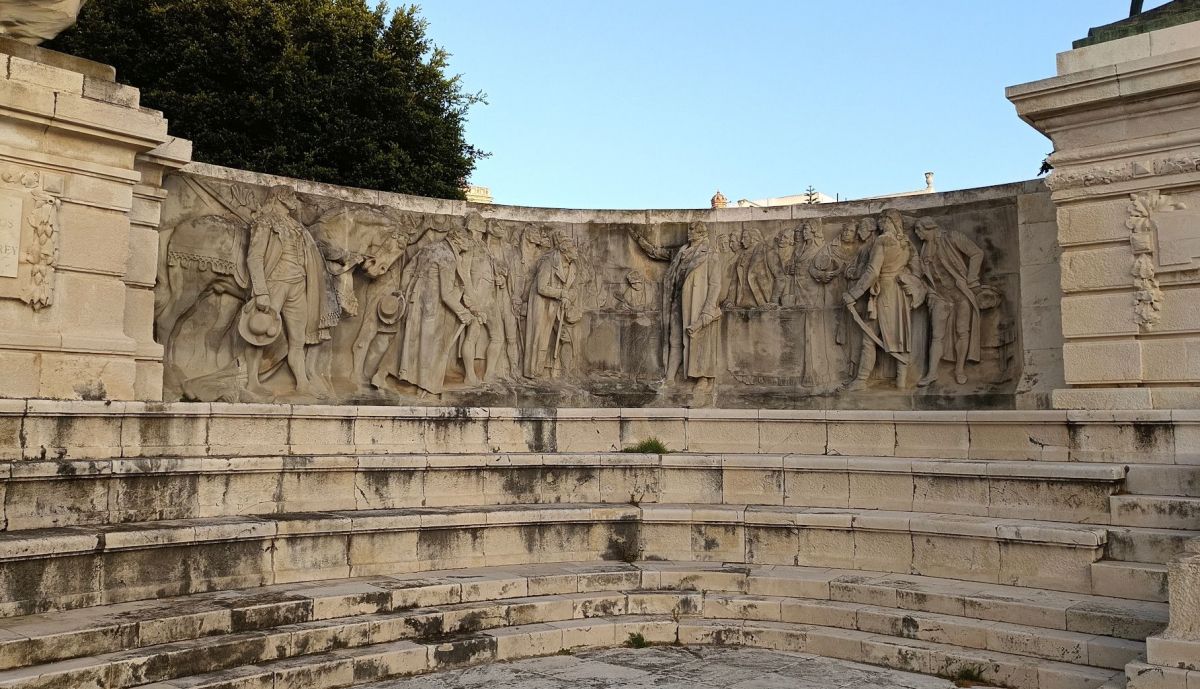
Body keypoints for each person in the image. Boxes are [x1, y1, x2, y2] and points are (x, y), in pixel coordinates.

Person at [373, 226, 476, 396]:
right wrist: (463, 312)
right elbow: (446, 294)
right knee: (429, 345)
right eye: (467, 241)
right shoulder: (447, 256)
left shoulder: (430, 248)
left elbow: (407, 271)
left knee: (405, 340)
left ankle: (380, 375)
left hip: (414, 300)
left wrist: (404, 292)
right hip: (431, 306)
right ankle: (425, 385)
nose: (469, 245)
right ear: (459, 239)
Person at [243, 185, 324, 398]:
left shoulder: (297, 227)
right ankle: (252, 382)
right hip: (275, 283)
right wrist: (261, 292)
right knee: (259, 332)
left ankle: (302, 384)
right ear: (280, 197)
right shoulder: (265, 221)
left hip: (298, 285)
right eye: (291, 195)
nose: (294, 199)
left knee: (298, 339)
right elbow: (255, 257)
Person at [632, 221, 723, 390]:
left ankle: (702, 378)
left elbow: (715, 284)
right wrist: (640, 240)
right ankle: (670, 377)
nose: (690, 232)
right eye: (690, 229)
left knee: (698, 341)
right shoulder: (681, 252)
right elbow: (657, 253)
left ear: (702, 233)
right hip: (677, 302)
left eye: (694, 229)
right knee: (675, 339)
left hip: (697, 304)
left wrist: (709, 309)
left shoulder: (710, 253)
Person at [840, 209, 924, 391]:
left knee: (869, 337)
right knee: (900, 337)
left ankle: (861, 380)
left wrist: (853, 294)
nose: (879, 225)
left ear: (889, 222)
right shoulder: (906, 243)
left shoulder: (883, 240)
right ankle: (901, 382)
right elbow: (917, 271)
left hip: (884, 293)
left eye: (882, 221)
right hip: (900, 294)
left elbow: (872, 272)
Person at [913, 216, 984, 386]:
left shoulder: (952, 236)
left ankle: (959, 369)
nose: (917, 233)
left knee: (962, 331)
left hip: (960, 293)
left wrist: (971, 279)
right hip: (939, 295)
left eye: (919, 229)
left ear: (929, 228)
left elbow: (977, 253)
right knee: (937, 336)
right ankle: (932, 373)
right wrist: (929, 292)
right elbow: (925, 275)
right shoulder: (923, 249)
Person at [523, 228, 580, 379]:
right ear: (564, 250)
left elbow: (573, 289)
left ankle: (563, 371)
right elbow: (541, 287)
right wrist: (561, 293)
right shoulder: (549, 262)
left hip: (559, 307)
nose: (576, 251)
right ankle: (533, 373)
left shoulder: (573, 267)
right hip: (542, 304)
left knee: (566, 337)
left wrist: (569, 297)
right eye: (574, 248)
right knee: (539, 338)